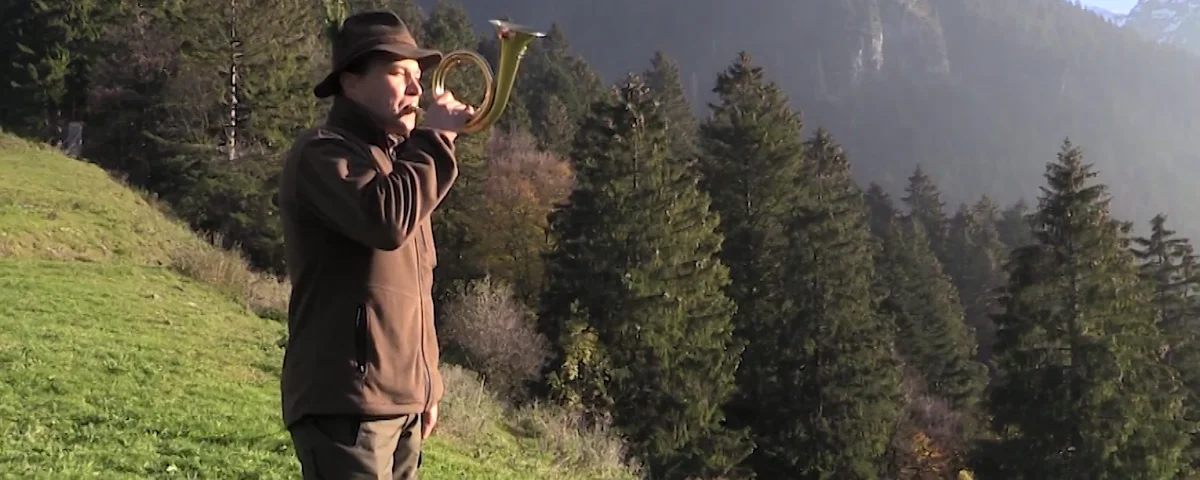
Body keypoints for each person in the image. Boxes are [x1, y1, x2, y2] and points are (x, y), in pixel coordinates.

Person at [276, 10, 474, 480]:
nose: (416, 89)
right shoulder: (322, 153)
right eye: (398, 73)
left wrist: (427, 386)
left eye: (418, 77)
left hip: (400, 402)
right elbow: (386, 220)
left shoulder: (399, 168)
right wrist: (437, 138)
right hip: (349, 404)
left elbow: (414, 290)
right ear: (350, 82)